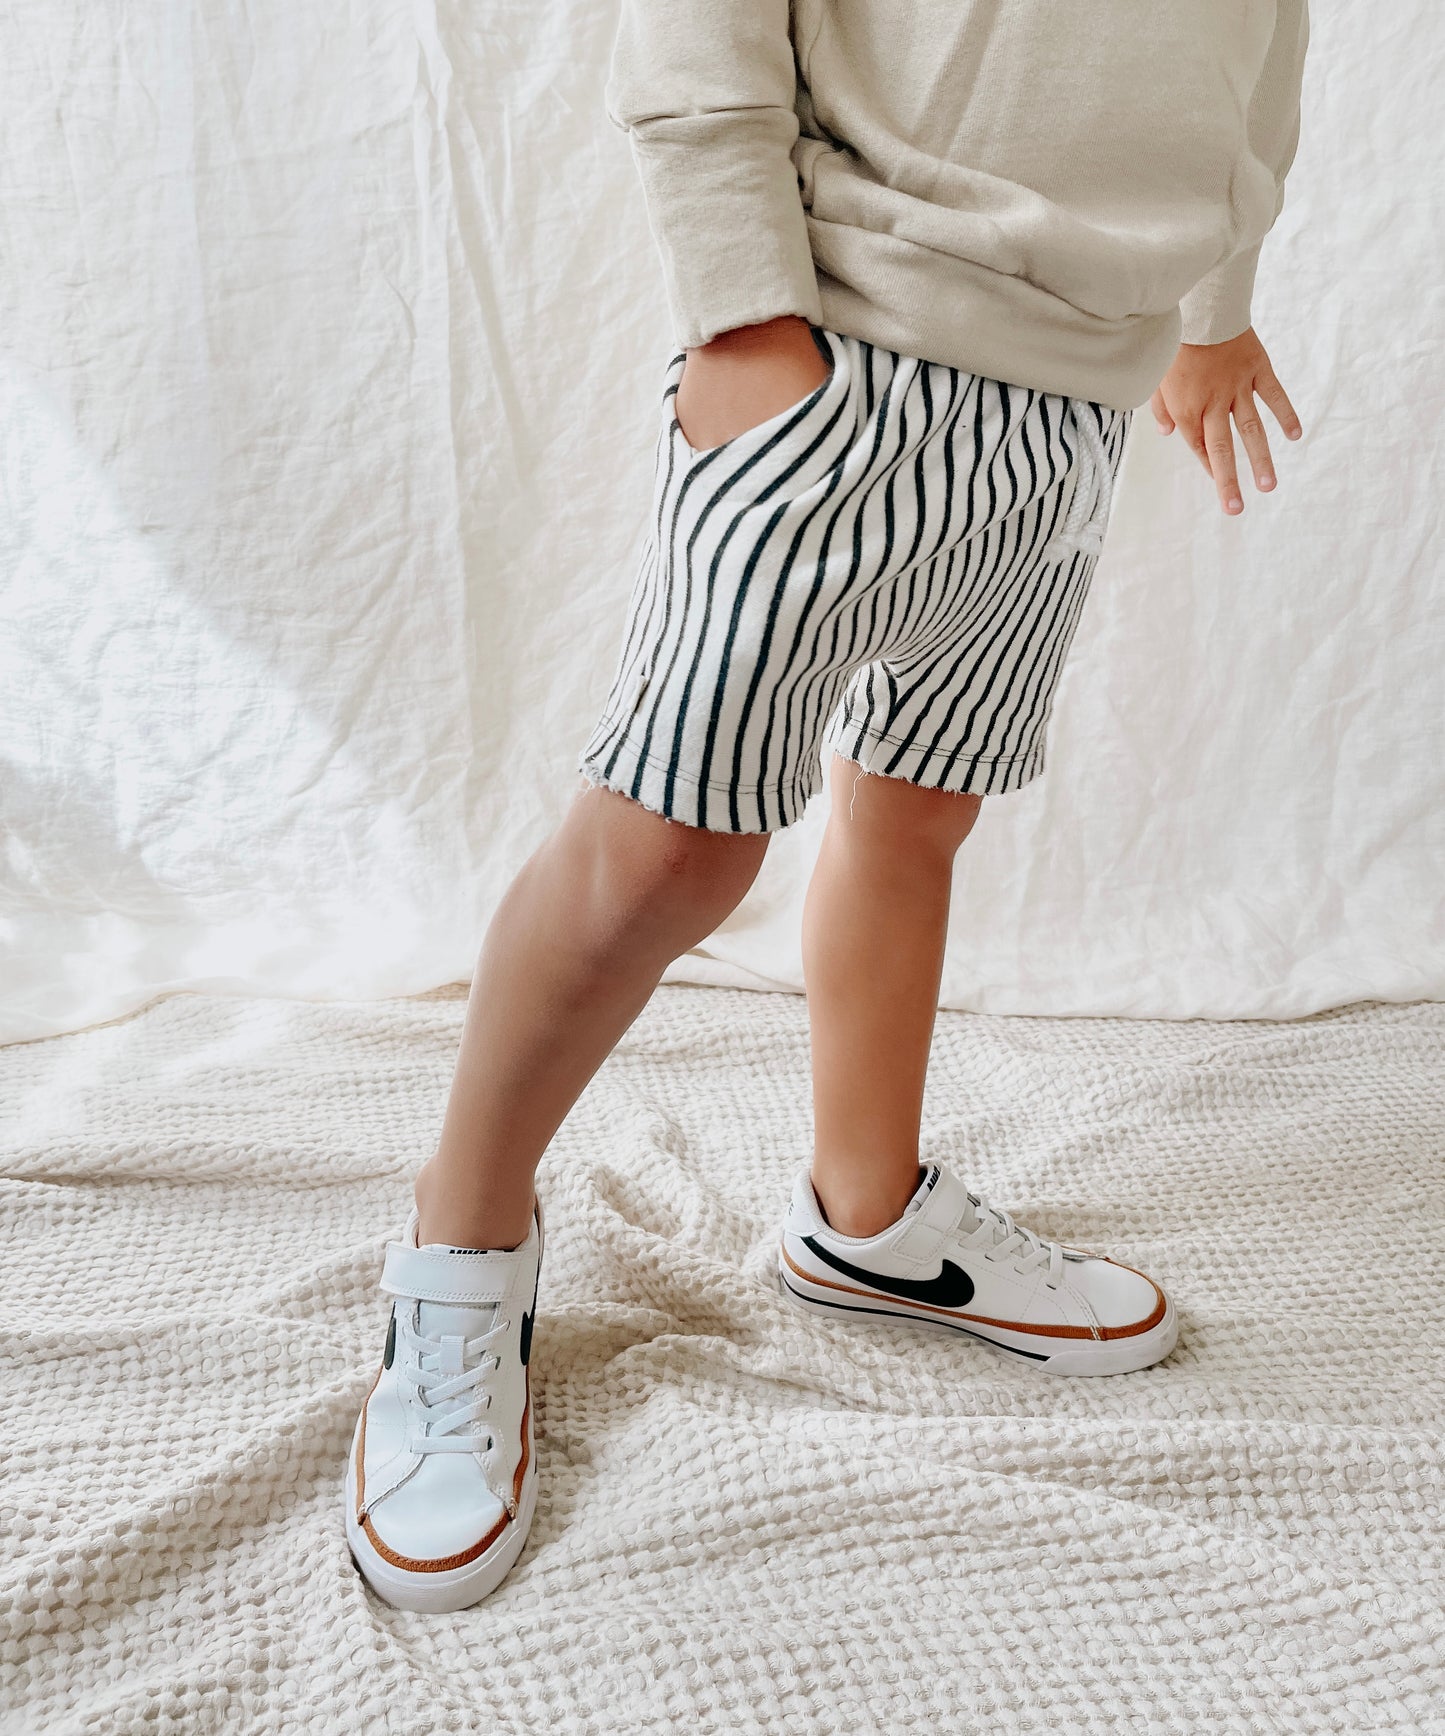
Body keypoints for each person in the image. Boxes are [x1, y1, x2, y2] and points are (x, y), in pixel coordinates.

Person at [344, 0, 1310, 1611]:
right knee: (668, 836)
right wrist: (737, 307)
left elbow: (1253, 53)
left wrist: (1214, 307)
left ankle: (866, 1218)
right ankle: (455, 1263)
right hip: (848, 337)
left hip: (1081, 391)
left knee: (919, 807)